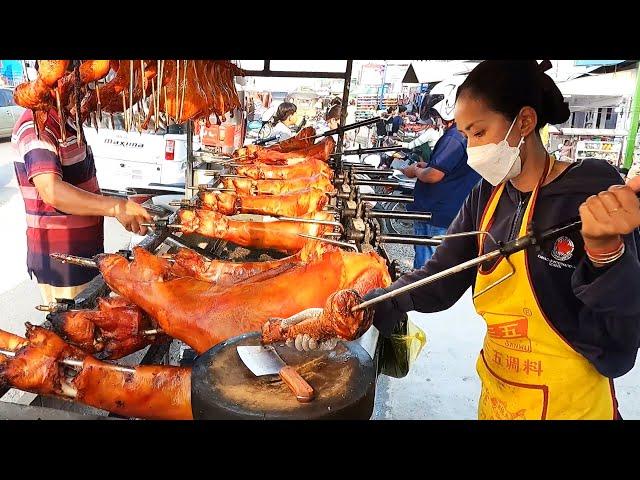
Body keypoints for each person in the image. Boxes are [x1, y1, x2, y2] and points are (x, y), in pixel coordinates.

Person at [295, 60, 640, 420]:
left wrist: (606, 256)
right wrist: (353, 311)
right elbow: (438, 279)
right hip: (500, 394)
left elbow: (618, 345)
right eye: (465, 136)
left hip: (571, 405)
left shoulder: (587, 191)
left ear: (524, 121)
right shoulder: (486, 197)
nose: (472, 149)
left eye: (479, 132)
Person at [12, 102, 152, 305]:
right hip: (62, 259)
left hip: (86, 251)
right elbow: (51, 191)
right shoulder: (37, 126)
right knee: (76, 329)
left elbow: (83, 185)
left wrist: (123, 210)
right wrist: (115, 207)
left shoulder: (67, 122)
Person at [400, 77, 481, 268]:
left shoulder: (455, 136)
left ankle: (421, 297)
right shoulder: (464, 134)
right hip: (448, 211)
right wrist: (427, 165)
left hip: (437, 213)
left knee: (426, 267)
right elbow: (448, 167)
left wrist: (415, 172)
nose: (435, 115)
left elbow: (434, 175)